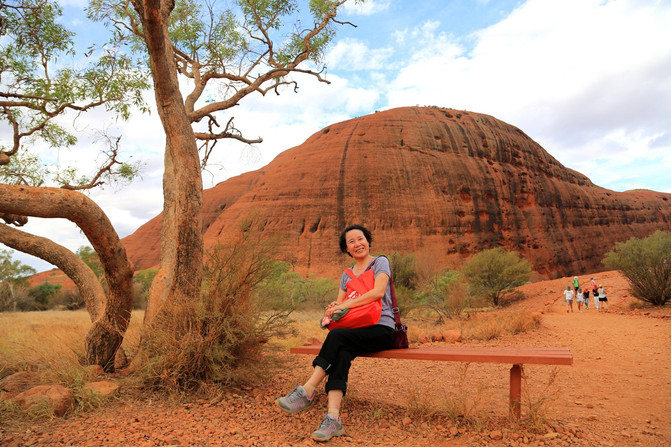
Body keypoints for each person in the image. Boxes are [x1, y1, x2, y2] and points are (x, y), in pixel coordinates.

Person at [276, 224, 395, 442]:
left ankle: (308, 389)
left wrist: (347, 305)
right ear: (347, 249)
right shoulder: (346, 275)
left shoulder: (380, 262)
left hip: (382, 328)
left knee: (337, 338)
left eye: (361, 239)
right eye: (352, 242)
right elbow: (341, 309)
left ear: (368, 241)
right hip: (356, 330)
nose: (357, 244)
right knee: (340, 353)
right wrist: (332, 311)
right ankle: (333, 419)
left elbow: (378, 292)